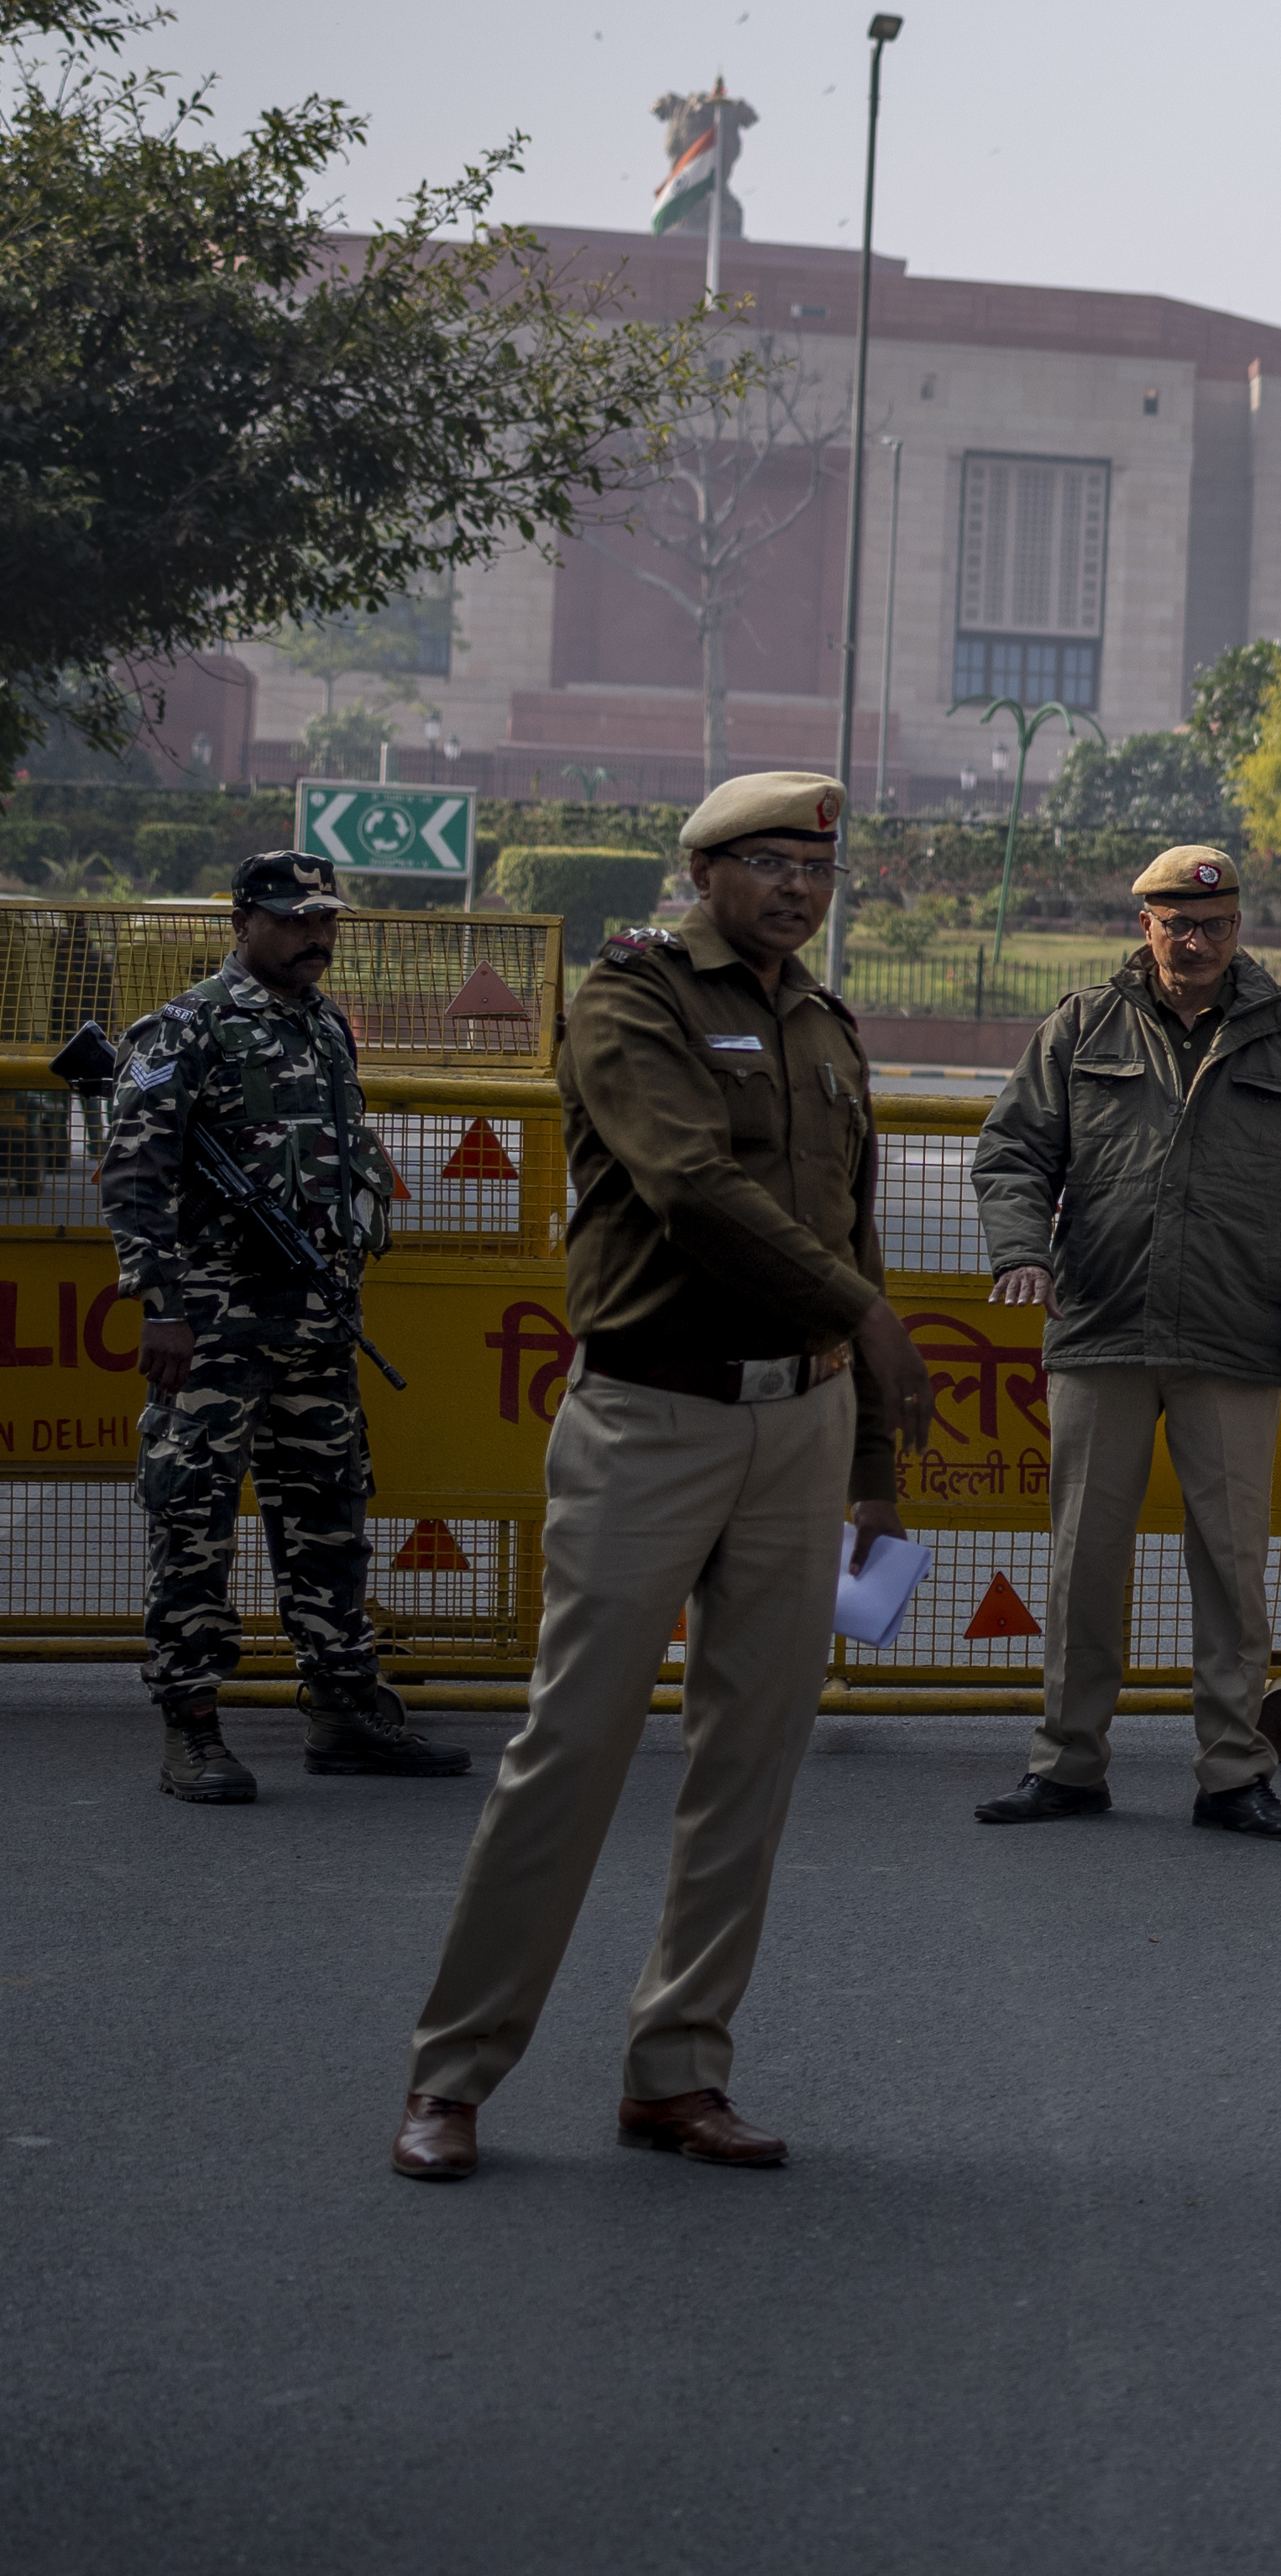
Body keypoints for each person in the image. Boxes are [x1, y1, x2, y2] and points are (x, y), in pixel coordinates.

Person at [395, 774, 940, 2181]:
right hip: (652, 1416)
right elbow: (691, 1187)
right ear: (702, 869)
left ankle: (678, 2068)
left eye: (814, 867)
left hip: (801, 1425)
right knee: (571, 1748)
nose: (795, 888)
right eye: (765, 862)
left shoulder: (824, 1018)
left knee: (750, 1761)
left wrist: (873, 1457)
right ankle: (453, 2072)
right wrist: (863, 1312)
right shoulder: (631, 998)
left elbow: (851, 1226)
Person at [963, 840, 1281, 1845]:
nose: (1196, 940)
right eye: (1178, 924)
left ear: (1239, 929)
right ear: (1144, 926)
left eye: (1216, 924)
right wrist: (1024, 1249)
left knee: (1232, 1564)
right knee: (1083, 1560)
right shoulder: (1081, 1027)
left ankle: (1234, 1773)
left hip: (1233, 1339)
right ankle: (1067, 1761)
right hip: (1101, 1325)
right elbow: (1012, 1148)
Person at [99, 850, 470, 1801]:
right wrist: (162, 1306)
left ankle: (342, 1708)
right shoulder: (187, 1027)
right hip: (215, 1325)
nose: (317, 936)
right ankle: (192, 1726)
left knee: (330, 1517)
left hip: (316, 1319)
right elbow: (136, 1177)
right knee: (196, 1521)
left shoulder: (325, 1025)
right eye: (296, 918)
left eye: (326, 919)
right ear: (243, 919)